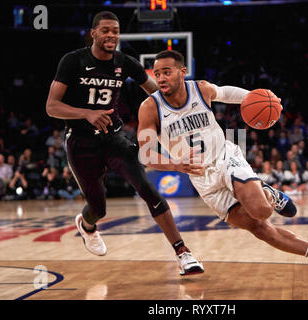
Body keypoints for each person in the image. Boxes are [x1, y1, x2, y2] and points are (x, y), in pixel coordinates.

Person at [137, 49, 308, 285]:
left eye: (166, 72)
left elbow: (226, 93)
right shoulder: (150, 107)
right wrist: (175, 165)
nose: (161, 78)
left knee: (261, 210)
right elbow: (145, 153)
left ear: (182, 72)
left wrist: (261, 97)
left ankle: (267, 192)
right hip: (202, 180)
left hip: (224, 157)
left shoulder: (200, 89)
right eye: (157, 74)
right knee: (260, 229)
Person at [45, 11, 203, 276]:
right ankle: (87, 225)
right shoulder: (73, 61)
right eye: (105, 30)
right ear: (93, 33)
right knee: (98, 207)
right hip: (81, 143)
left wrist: (183, 103)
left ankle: (183, 252)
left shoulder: (124, 61)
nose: (111, 35)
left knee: (147, 189)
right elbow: (52, 106)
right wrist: (86, 113)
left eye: (115, 31)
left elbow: (155, 91)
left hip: (113, 137)